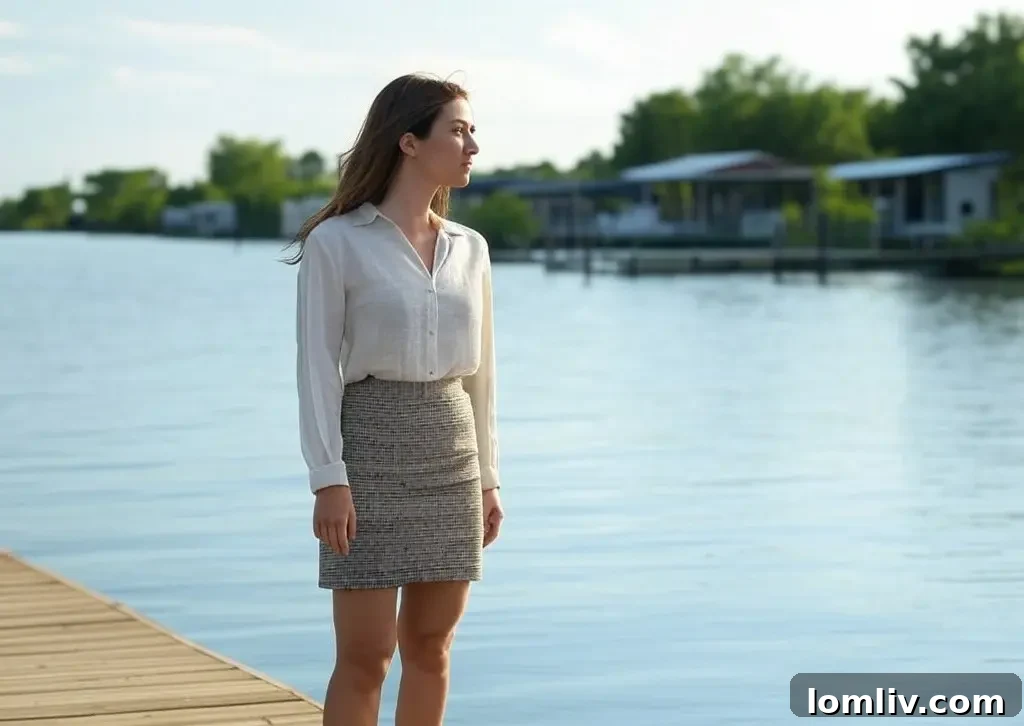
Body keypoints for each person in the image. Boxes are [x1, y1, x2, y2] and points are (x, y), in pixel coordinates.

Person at [283, 73, 504, 726]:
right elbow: (316, 368)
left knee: (432, 649)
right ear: (408, 142)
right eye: (458, 130)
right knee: (367, 655)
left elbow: (484, 377)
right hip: (370, 452)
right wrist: (329, 478)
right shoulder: (337, 242)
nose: (473, 146)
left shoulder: (472, 249)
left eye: (472, 131)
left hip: (452, 452)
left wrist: (489, 479)